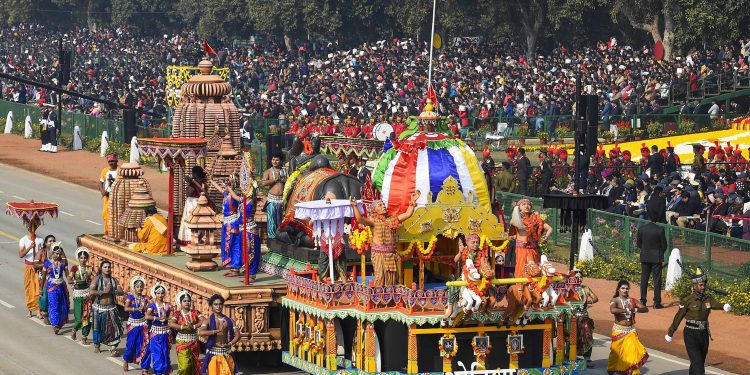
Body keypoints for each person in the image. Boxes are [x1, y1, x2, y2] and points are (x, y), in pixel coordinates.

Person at [666, 268, 732, 375]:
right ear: (694, 285)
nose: (703, 287)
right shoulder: (687, 300)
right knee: (698, 365)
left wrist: (723, 306)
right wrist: (670, 332)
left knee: (698, 362)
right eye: (701, 285)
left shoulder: (707, 299)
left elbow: (715, 304)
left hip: (704, 334)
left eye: (704, 285)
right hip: (690, 334)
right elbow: (678, 317)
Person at [350, 191, 420, 286]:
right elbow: (360, 219)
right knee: (380, 277)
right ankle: (378, 299)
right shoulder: (373, 220)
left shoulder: (392, 219)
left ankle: (390, 299)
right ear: (374, 210)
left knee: (392, 279)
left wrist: (412, 201)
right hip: (379, 255)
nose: (383, 206)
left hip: (391, 254)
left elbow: (407, 214)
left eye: (383, 204)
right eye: (380, 205)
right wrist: (354, 206)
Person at [607, 280, 649, 375]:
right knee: (615, 354)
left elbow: (645, 309)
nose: (625, 290)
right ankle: (611, 369)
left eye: (627, 288)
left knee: (632, 352)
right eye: (623, 288)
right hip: (618, 331)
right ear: (618, 289)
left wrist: (634, 309)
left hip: (630, 331)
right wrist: (626, 310)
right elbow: (612, 310)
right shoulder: (615, 300)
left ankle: (634, 372)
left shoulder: (633, 300)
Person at [509, 199, 552, 277]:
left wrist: (545, 237)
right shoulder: (517, 218)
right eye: (523, 204)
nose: (526, 206)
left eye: (528, 204)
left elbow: (549, 229)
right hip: (522, 249)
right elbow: (513, 222)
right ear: (519, 207)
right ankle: (519, 287)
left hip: (533, 249)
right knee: (522, 269)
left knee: (535, 269)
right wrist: (518, 215)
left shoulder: (536, 218)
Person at [199, 294, 241, 375]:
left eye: (220, 304)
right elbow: (201, 332)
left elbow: (238, 335)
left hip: (226, 352)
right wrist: (217, 331)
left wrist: (229, 344)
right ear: (211, 306)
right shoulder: (207, 321)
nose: (218, 306)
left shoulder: (229, 320)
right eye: (215, 304)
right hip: (213, 353)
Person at [210, 178, 244, 277]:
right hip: (226, 223)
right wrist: (211, 180)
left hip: (233, 224)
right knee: (227, 244)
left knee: (235, 245)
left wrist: (229, 187)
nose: (225, 186)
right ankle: (232, 265)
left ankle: (236, 268)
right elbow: (220, 189)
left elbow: (233, 195)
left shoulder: (235, 196)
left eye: (228, 184)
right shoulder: (226, 194)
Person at [89, 260, 124, 354]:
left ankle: (113, 347)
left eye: (109, 267)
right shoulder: (97, 279)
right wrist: (104, 292)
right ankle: (97, 345)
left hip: (111, 308)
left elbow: (121, 291)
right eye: (105, 267)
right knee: (97, 327)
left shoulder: (113, 280)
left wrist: (112, 291)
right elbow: (91, 292)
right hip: (99, 308)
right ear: (101, 268)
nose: (107, 269)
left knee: (114, 328)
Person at [637, 212, 667, 308]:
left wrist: (645, 249)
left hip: (645, 256)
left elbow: (638, 243)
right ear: (656, 219)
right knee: (657, 280)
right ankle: (656, 303)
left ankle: (642, 301)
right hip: (656, 257)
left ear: (648, 218)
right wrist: (659, 252)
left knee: (644, 279)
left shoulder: (641, 229)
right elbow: (664, 245)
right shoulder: (660, 230)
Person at [169, 291, 203, 375]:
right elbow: (171, 323)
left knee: (193, 365)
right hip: (182, 342)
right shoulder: (178, 314)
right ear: (180, 303)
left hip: (194, 342)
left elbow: (204, 320)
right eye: (184, 301)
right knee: (184, 366)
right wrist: (183, 327)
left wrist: (194, 326)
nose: (187, 302)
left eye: (188, 301)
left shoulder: (195, 312)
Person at [122, 276, 150, 372]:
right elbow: (125, 308)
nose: (139, 288)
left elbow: (148, 311)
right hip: (133, 325)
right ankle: (126, 360)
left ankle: (145, 368)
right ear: (134, 287)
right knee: (131, 345)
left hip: (143, 324)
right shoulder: (130, 297)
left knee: (144, 346)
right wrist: (136, 309)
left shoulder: (145, 298)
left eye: (141, 287)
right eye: (137, 286)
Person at [18, 218, 43, 319]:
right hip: (28, 267)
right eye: (29, 225)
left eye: (33, 225)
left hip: (37, 267)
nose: (31, 227)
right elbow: (20, 254)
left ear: (36, 227)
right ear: (27, 226)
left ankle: (38, 311)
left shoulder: (40, 240)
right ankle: (30, 310)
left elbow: (42, 254)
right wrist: (30, 247)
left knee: (38, 289)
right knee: (29, 288)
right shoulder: (23, 240)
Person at [573, 269, 599, 369]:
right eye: (576, 277)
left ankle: (587, 358)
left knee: (588, 335)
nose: (579, 279)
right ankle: (571, 356)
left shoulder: (586, 289)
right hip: (573, 317)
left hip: (584, 316)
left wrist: (588, 303)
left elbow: (596, 298)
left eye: (580, 277)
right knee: (573, 336)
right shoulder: (570, 289)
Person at [178, 166, 209, 248]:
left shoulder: (194, 183)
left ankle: (190, 241)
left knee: (190, 221)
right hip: (202, 203)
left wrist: (189, 184)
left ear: (195, 174)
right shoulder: (204, 182)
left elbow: (188, 193)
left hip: (192, 203)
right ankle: (199, 239)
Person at [41, 243, 69, 334]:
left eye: (59, 253)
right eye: (56, 253)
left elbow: (68, 275)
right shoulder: (47, 264)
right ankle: (55, 324)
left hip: (61, 286)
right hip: (51, 287)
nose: (58, 255)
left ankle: (59, 322)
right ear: (52, 253)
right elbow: (44, 277)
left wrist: (72, 281)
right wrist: (41, 289)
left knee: (63, 305)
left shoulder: (63, 263)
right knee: (54, 305)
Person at [145, 284, 172, 375]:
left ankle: (164, 371)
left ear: (164, 294)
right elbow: (147, 316)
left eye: (162, 293)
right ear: (155, 294)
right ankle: (158, 372)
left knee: (165, 354)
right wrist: (158, 318)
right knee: (157, 354)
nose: (160, 295)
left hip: (165, 333)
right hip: (155, 334)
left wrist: (167, 318)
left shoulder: (168, 305)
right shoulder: (152, 306)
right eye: (158, 293)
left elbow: (172, 317)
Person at [69, 247, 94, 343]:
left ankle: (84, 336)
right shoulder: (75, 268)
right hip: (78, 295)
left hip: (87, 294)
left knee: (87, 317)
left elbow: (93, 280)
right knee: (79, 318)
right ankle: (74, 329)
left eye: (85, 258)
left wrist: (89, 279)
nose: (83, 260)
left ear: (87, 259)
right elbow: (70, 280)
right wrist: (80, 281)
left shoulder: (89, 269)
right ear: (78, 259)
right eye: (81, 258)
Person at [262, 153, 286, 239]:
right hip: (272, 200)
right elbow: (263, 183)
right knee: (272, 221)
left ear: (280, 161)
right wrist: (275, 180)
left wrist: (284, 180)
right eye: (273, 160)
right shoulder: (268, 171)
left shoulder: (284, 171)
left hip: (281, 200)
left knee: (281, 221)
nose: (274, 162)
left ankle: (280, 239)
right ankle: (272, 240)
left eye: (277, 160)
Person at [100, 153, 119, 236]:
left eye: (113, 161)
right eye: (110, 161)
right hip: (107, 197)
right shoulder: (105, 170)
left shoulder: (120, 171)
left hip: (117, 198)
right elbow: (101, 182)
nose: (111, 163)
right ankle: (107, 233)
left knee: (115, 216)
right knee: (107, 215)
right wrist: (102, 191)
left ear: (116, 161)